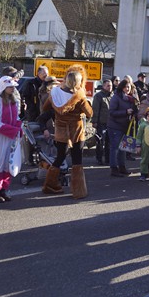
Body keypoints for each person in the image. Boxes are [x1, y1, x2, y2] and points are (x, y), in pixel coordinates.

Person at [42, 65, 93, 199]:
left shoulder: (54, 93)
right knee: (77, 160)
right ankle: (78, 190)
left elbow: (45, 107)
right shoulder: (79, 96)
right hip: (76, 131)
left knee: (60, 157)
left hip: (60, 130)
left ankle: (49, 185)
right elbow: (90, 113)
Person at [0, 76, 22, 203]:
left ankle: (3, 189)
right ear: (3, 87)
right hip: (0, 137)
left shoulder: (14, 101)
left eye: (13, 86)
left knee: (8, 163)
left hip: (11, 137)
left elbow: (17, 117)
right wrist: (8, 129)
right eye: (10, 86)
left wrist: (19, 127)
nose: (12, 88)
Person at [107, 79, 137, 177]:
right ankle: (114, 168)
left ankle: (122, 167)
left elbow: (133, 110)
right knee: (115, 148)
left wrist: (133, 113)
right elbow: (112, 112)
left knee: (123, 148)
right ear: (122, 87)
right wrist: (125, 112)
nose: (128, 89)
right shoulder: (116, 97)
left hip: (125, 126)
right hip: (115, 126)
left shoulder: (130, 98)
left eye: (129, 87)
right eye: (126, 87)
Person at [92, 79, 113, 165]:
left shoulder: (112, 96)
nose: (110, 87)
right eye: (108, 86)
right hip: (101, 122)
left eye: (111, 86)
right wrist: (94, 121)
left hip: (110, 123)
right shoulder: (99, 96)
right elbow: (95, 109)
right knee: (100, 142)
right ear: (104, 86)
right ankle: (99, 159)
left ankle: (108, 159)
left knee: (109, 142)